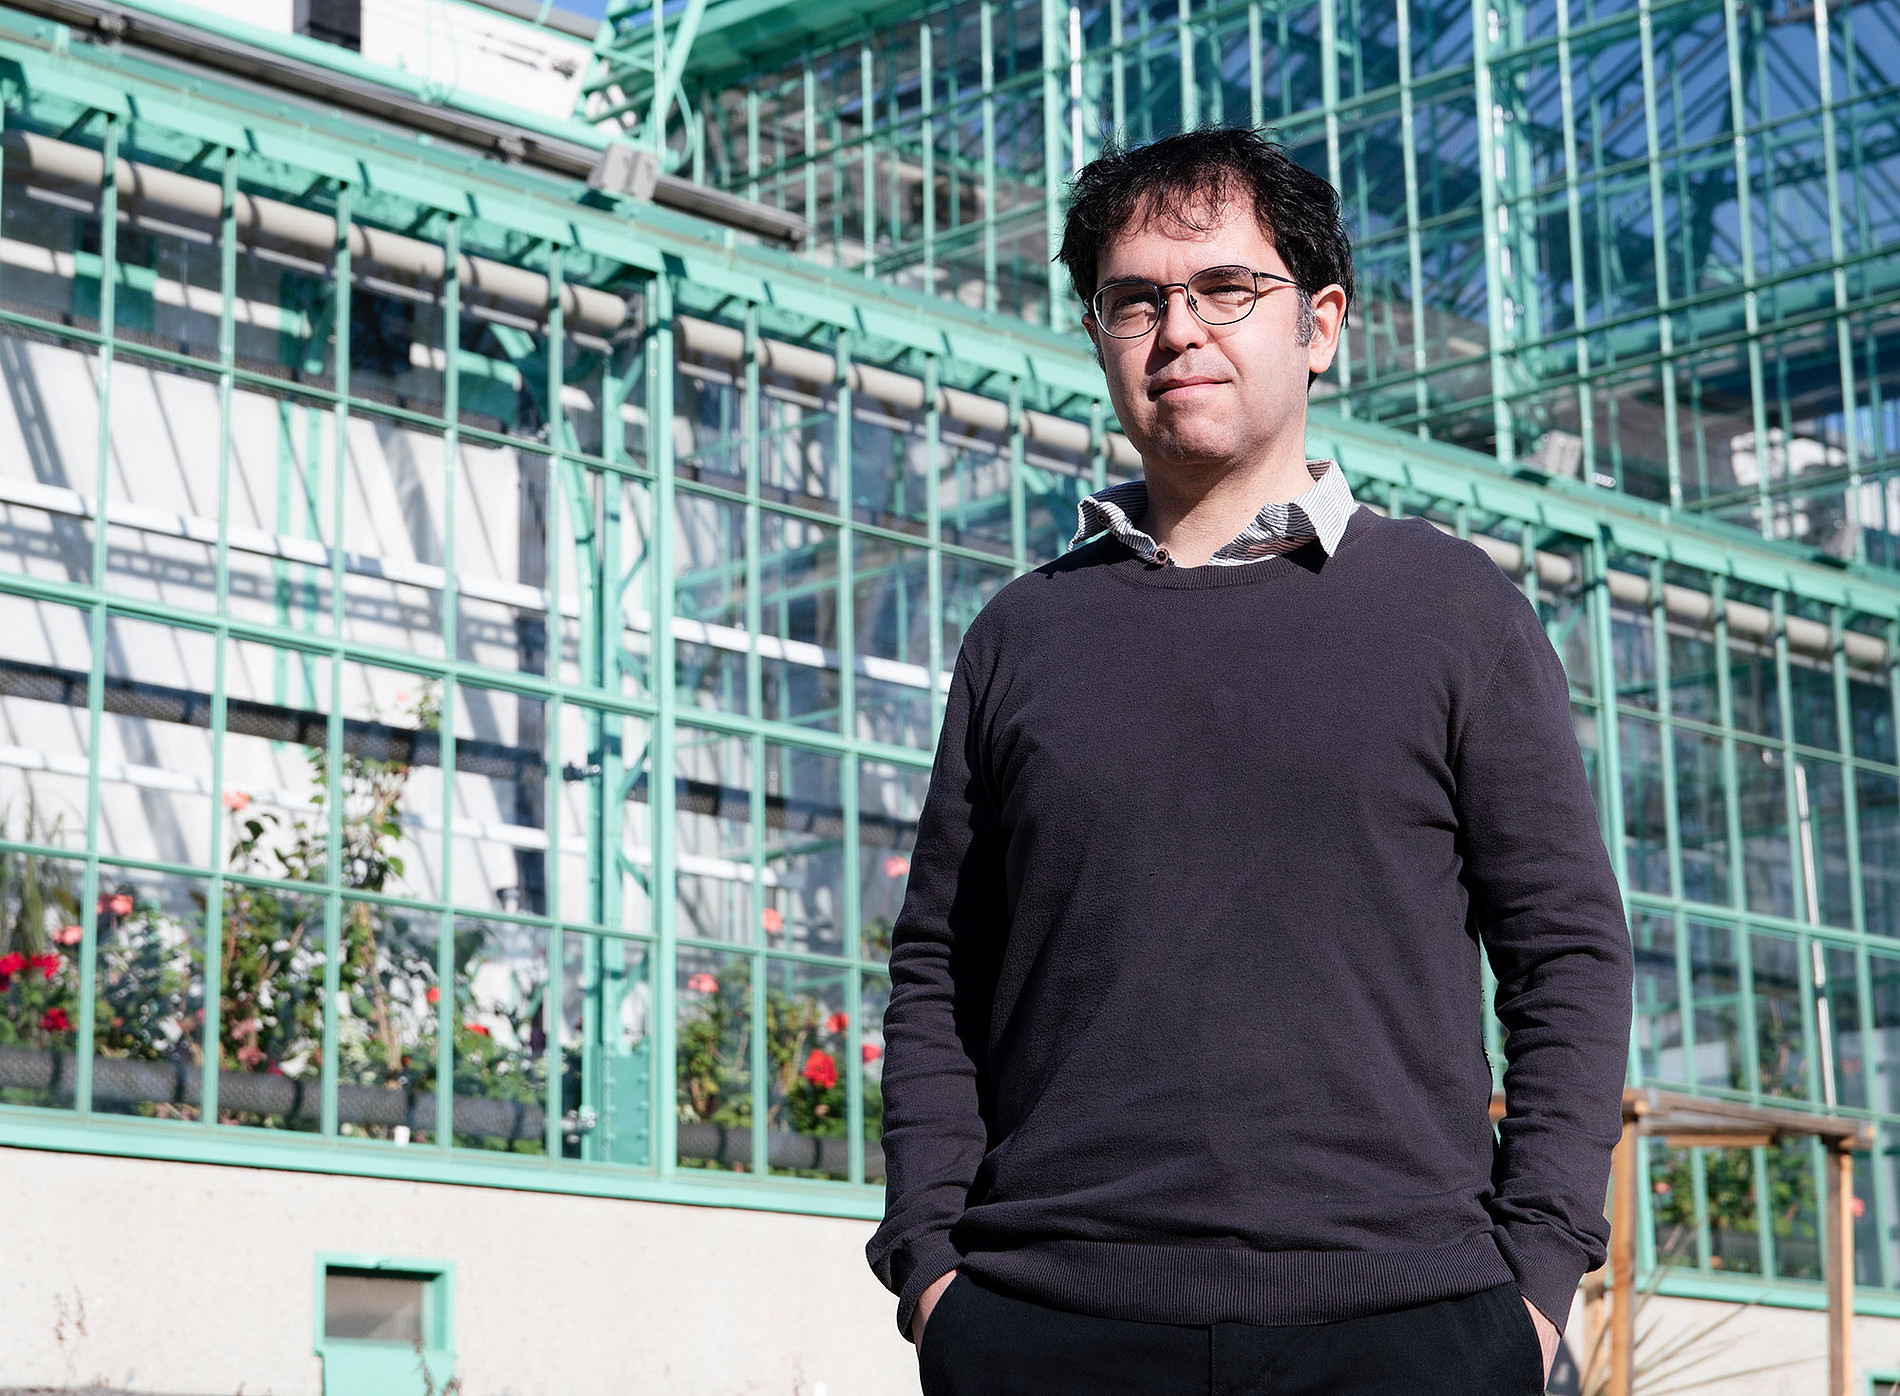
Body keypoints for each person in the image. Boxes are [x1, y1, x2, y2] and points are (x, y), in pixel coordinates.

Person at [866, 127, 1634, 1396]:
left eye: (1228, 288)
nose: (1180, 329)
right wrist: (935, 1277)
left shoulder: (1451, 611)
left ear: (1318, 325)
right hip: (1049, 1323)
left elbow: (1563, 948)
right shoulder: (1023, 635)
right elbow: (940, 965)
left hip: (1405, 1326)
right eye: (1135, 299)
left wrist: (1533, 1290)